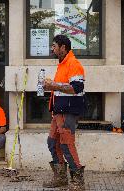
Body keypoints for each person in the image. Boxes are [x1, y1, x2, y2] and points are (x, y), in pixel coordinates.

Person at [42, 35, 85, 190]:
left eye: (54, 46)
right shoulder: (62, 64)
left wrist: (53, 85)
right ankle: (61, 178)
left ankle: (78, 182)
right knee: (52, 142)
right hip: (58, 111)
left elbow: (76, 88)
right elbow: (61, 88)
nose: (52, 49)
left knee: (67, 144)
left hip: (68, 111)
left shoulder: (74, 64)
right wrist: (51, 87)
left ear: (63, 47)